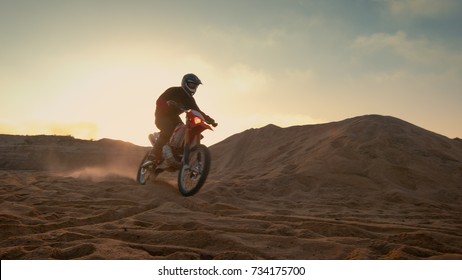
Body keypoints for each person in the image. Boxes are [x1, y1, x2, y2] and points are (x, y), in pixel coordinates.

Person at [151, 73, 216, 161]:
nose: (193, 87)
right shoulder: (173, 90)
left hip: (174, 118)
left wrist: (208, 119)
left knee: (185, 131)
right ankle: (154, 153)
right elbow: (159, 100)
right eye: (192, 84)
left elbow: (197, 111)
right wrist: (167, 105)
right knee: (168, 129)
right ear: (185, 83)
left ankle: (177, 152)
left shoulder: (190, 99)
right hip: (162, 116)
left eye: (195, 85)